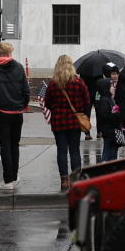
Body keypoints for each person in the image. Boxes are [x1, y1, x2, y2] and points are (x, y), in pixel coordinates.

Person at [0, 41, 31, 191]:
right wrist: (22, 105)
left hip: (0, 112)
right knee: (14, 145)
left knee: (5, 146)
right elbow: (26, 90)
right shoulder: (18, 67)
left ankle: (8, 179)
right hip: (17, 113)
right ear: (9, 53)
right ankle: (14, 177)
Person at [43, 54, 92, 191]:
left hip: (58, 122)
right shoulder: (78, 82)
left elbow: (47, 103)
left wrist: (57, 109)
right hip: (75, 122)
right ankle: (76, 179)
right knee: (75, 150)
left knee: (61, 150)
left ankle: (64, 180)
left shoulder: (53, 84)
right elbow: (87, 101)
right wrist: (81, 112)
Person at [94, 62, 121, 162]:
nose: (112, 86)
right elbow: (106, 115)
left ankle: (111, 165)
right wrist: (118, 115)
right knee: (109, 149)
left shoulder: (107, 98)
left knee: (113, 149)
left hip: (111, 129)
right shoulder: (105, 100)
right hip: (109, 129)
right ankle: (106, 165)